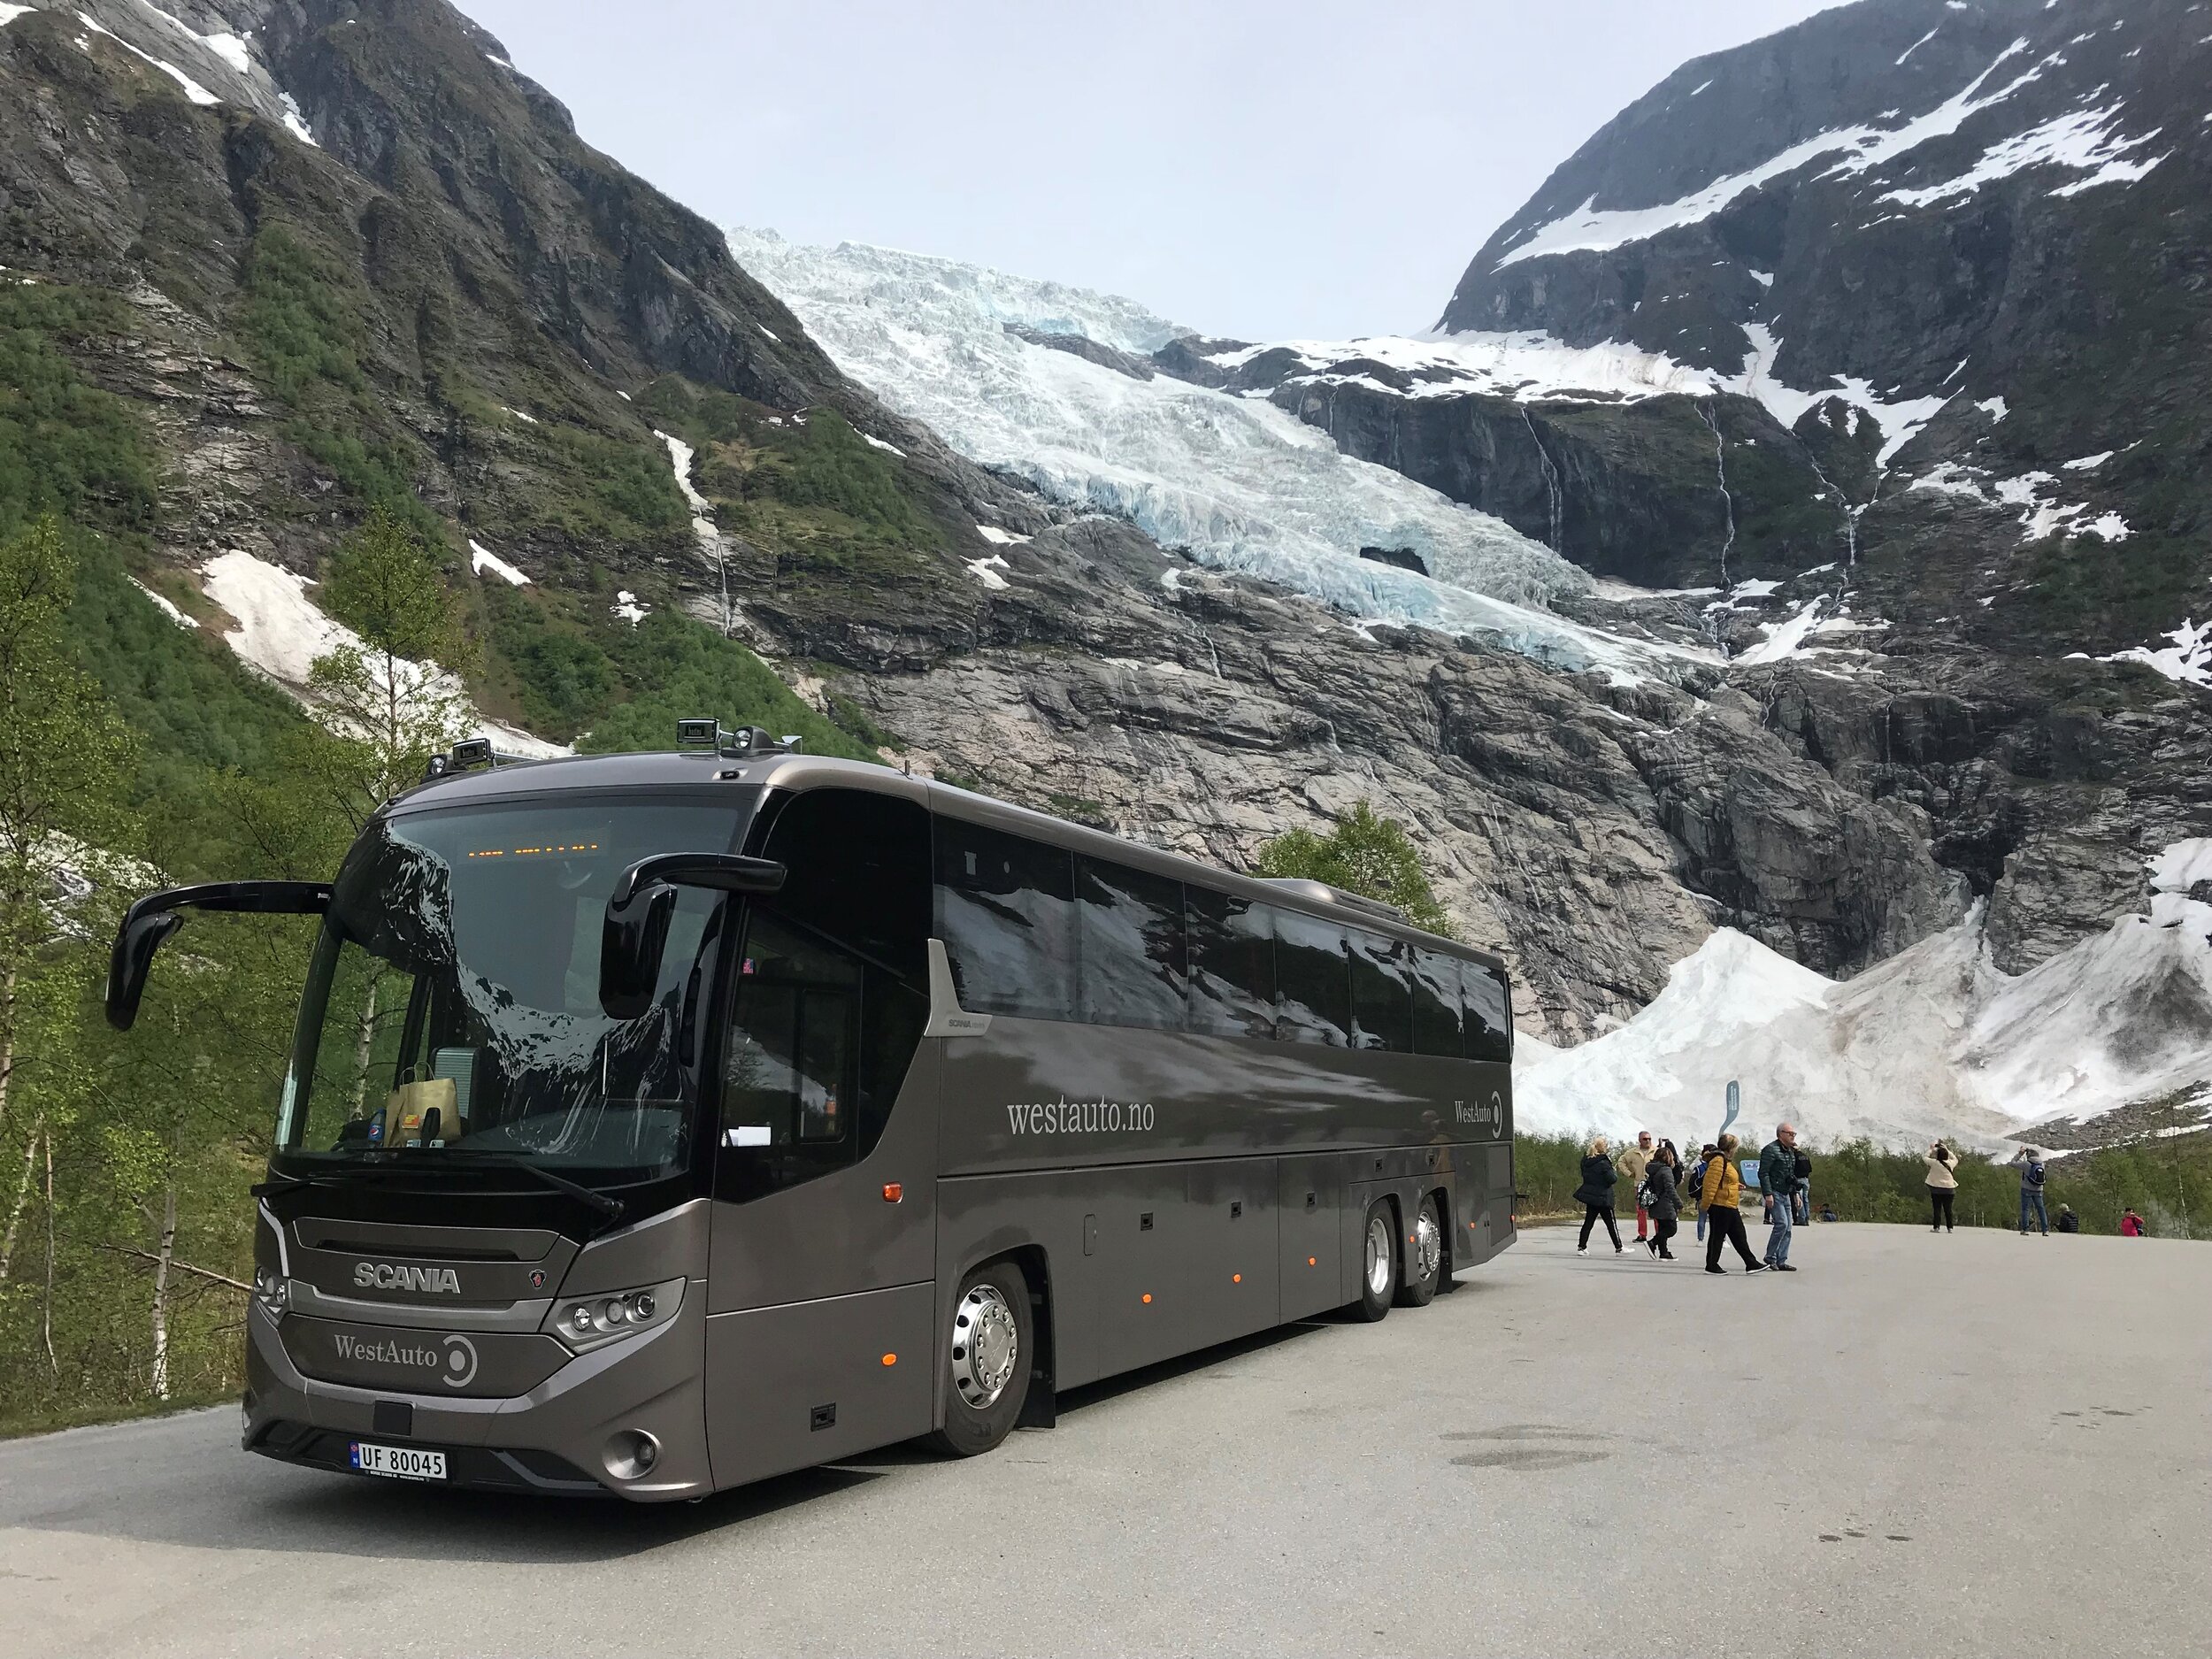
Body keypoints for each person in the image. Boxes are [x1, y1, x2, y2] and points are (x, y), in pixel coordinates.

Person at [1701, 1133, 1766, 1274]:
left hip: (1729, 1204)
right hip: (1720, 1205)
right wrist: (1706, 1206)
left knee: (1739, 1235)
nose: (1736, 1149)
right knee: (1717, 1236)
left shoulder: (1725, 1161)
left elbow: (1724, 1181)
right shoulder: (1718, 1161)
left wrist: (1735, 1185)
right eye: (1735, 1146)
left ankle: (1751, 1263)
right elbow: (1710, 1184)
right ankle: (1711, 1265)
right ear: (1730, 1147)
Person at [1759, 1125, 1801, 1271]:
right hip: (1775, 1192)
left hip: (1785, 1193)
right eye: (1790, 1133)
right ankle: (1770, 1257)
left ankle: (1781, 1260)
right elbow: (1763, 1173)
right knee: (1782, 1224)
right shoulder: (1770, 1150)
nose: (1793, 1136)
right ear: (1780, 1134)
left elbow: (1791, 1175)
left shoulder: (1790, 1152)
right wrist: (1768, 1194)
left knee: (1788, 1227)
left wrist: (1796, 1193)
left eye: (1794, 1133)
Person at [1575, 1135, 1623, 1255]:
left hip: (1591, 1195)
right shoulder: (1604, 1162)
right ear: (1604, 1147)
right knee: (1611, 1223)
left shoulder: (1586, 1161)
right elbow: (1612, 1179)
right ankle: (1619, 1247)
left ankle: (1582, 1247)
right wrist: (1613, 1171)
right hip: (1603, 1196)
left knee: (1588, 1222)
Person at [1640, 1140, 1685, 1260]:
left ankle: (1663, 1252)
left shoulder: (1653, 1169)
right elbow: (1670, 1189)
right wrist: (1679, 1203)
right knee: (1671, 1229)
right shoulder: (1666, 1170)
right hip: (1665, 1203)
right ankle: (1652, 1243)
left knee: (1662, 1228)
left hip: (1655, 1202)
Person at [1617, 1130, 1655, 1243]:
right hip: (1639, 1184)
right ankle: (1642, 1235)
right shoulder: (1632, 1152)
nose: (1648, 1141)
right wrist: (1628, 1173)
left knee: (1656, 1210)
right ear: (1639, 1140)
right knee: (1641, 1211)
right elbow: (1621, 1162)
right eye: (1645, 1139)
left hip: (1654, 1184)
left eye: (1649, 1139)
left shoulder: (1656, 1151)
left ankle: (1659, 1234)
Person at [1924, 1141, 1959, 1233]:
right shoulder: (1950, 1163)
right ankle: (1950, 1228)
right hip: (1949, 1190)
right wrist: (1947, 1149)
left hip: (1936, 1189)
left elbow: (1924, 1157)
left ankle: (1936, 1227)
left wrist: (1931, 1150)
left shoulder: (1934, 1163)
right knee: (1948, 1209)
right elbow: (1955, 1159)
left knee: (1937, 1209)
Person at [2016, 1147, 2049, 1235]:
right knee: (2041, 1209)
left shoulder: (2026, 1164)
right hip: (2039, 1189)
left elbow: (2012, 1163)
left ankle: (2025, 1229)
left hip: (2026, 1189)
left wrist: (2020, 1154)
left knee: (2026, 1209)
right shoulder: (2042, 1164)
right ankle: (2045, 1230)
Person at [1690, 1143, 1719, 1244]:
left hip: (1701, 1195)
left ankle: (1700, 1239)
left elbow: (1691, 1168)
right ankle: (1719, 1239)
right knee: (1715, 1220)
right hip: (1714, 1195)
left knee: (1701, 1218)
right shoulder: (1715, 1165)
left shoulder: (1699, 1165)